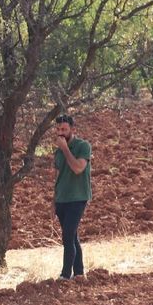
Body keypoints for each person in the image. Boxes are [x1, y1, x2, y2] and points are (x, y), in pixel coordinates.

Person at [52, 114, 91, 280]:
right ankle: (79, 273)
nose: (61, 132)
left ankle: (65, 275)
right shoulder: (57, 152)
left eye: (64, 129)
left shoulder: (83, 146)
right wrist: (53, 201)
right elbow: (57, 177)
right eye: (58, 129)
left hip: (78, 197)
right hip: (62, 199)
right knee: (72, 236)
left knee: (67, 235)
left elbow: (78, 169)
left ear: (72, 129)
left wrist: (65, 149)